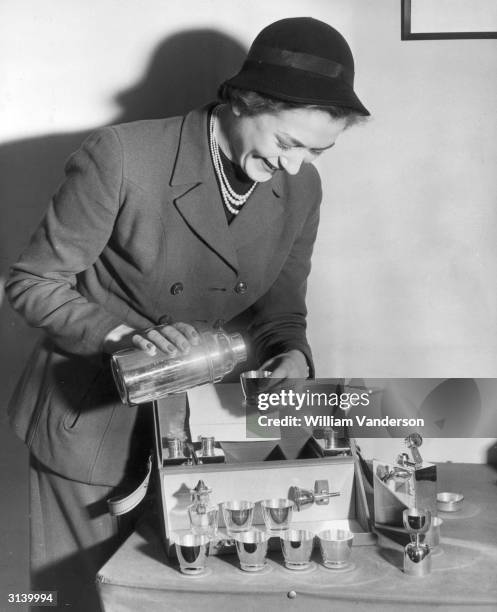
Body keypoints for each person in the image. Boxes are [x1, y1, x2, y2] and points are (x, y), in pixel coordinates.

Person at [6, 16, 369, 610]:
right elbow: (32, 281)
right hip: (89, 424)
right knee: (71, 600)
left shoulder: (303, 190)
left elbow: (282, 309)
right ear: (244, 101)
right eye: (287, 142)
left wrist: (293, 355)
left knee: (184, 597)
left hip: (198, 432)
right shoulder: (121, 156)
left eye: (318, 149)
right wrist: (123, 335)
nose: (297, 165)